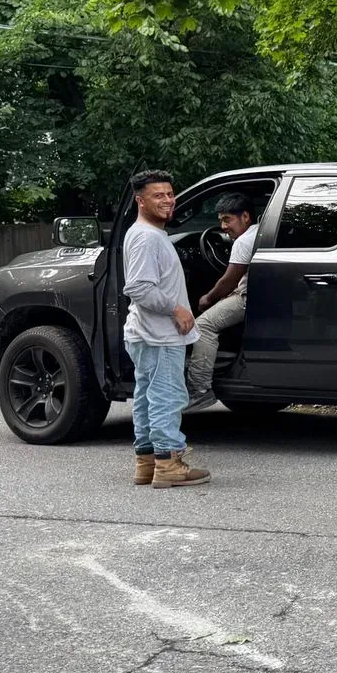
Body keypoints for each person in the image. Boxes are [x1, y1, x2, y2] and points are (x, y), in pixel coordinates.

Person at [121, 170, 211, 488]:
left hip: (145, 333)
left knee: (147, 397)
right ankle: (168, 462)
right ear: (140, 200)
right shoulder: (147, 237)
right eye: (158, 195)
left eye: (170, 194)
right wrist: (177, 309)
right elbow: (140, 288)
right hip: (158, 334)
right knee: (167, 397)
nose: (168, 200)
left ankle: (147, 464)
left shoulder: (145, 233)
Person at [184, 191, 257, 412]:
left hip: (247, 299)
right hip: (257, 295)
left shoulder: (244, 241)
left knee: (203, 325)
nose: (224, 227)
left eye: (228, 220)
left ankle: (200, 391)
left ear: (245, 216)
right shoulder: (258, 233)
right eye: (221, 221)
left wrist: (207, 299)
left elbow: (228, 281)